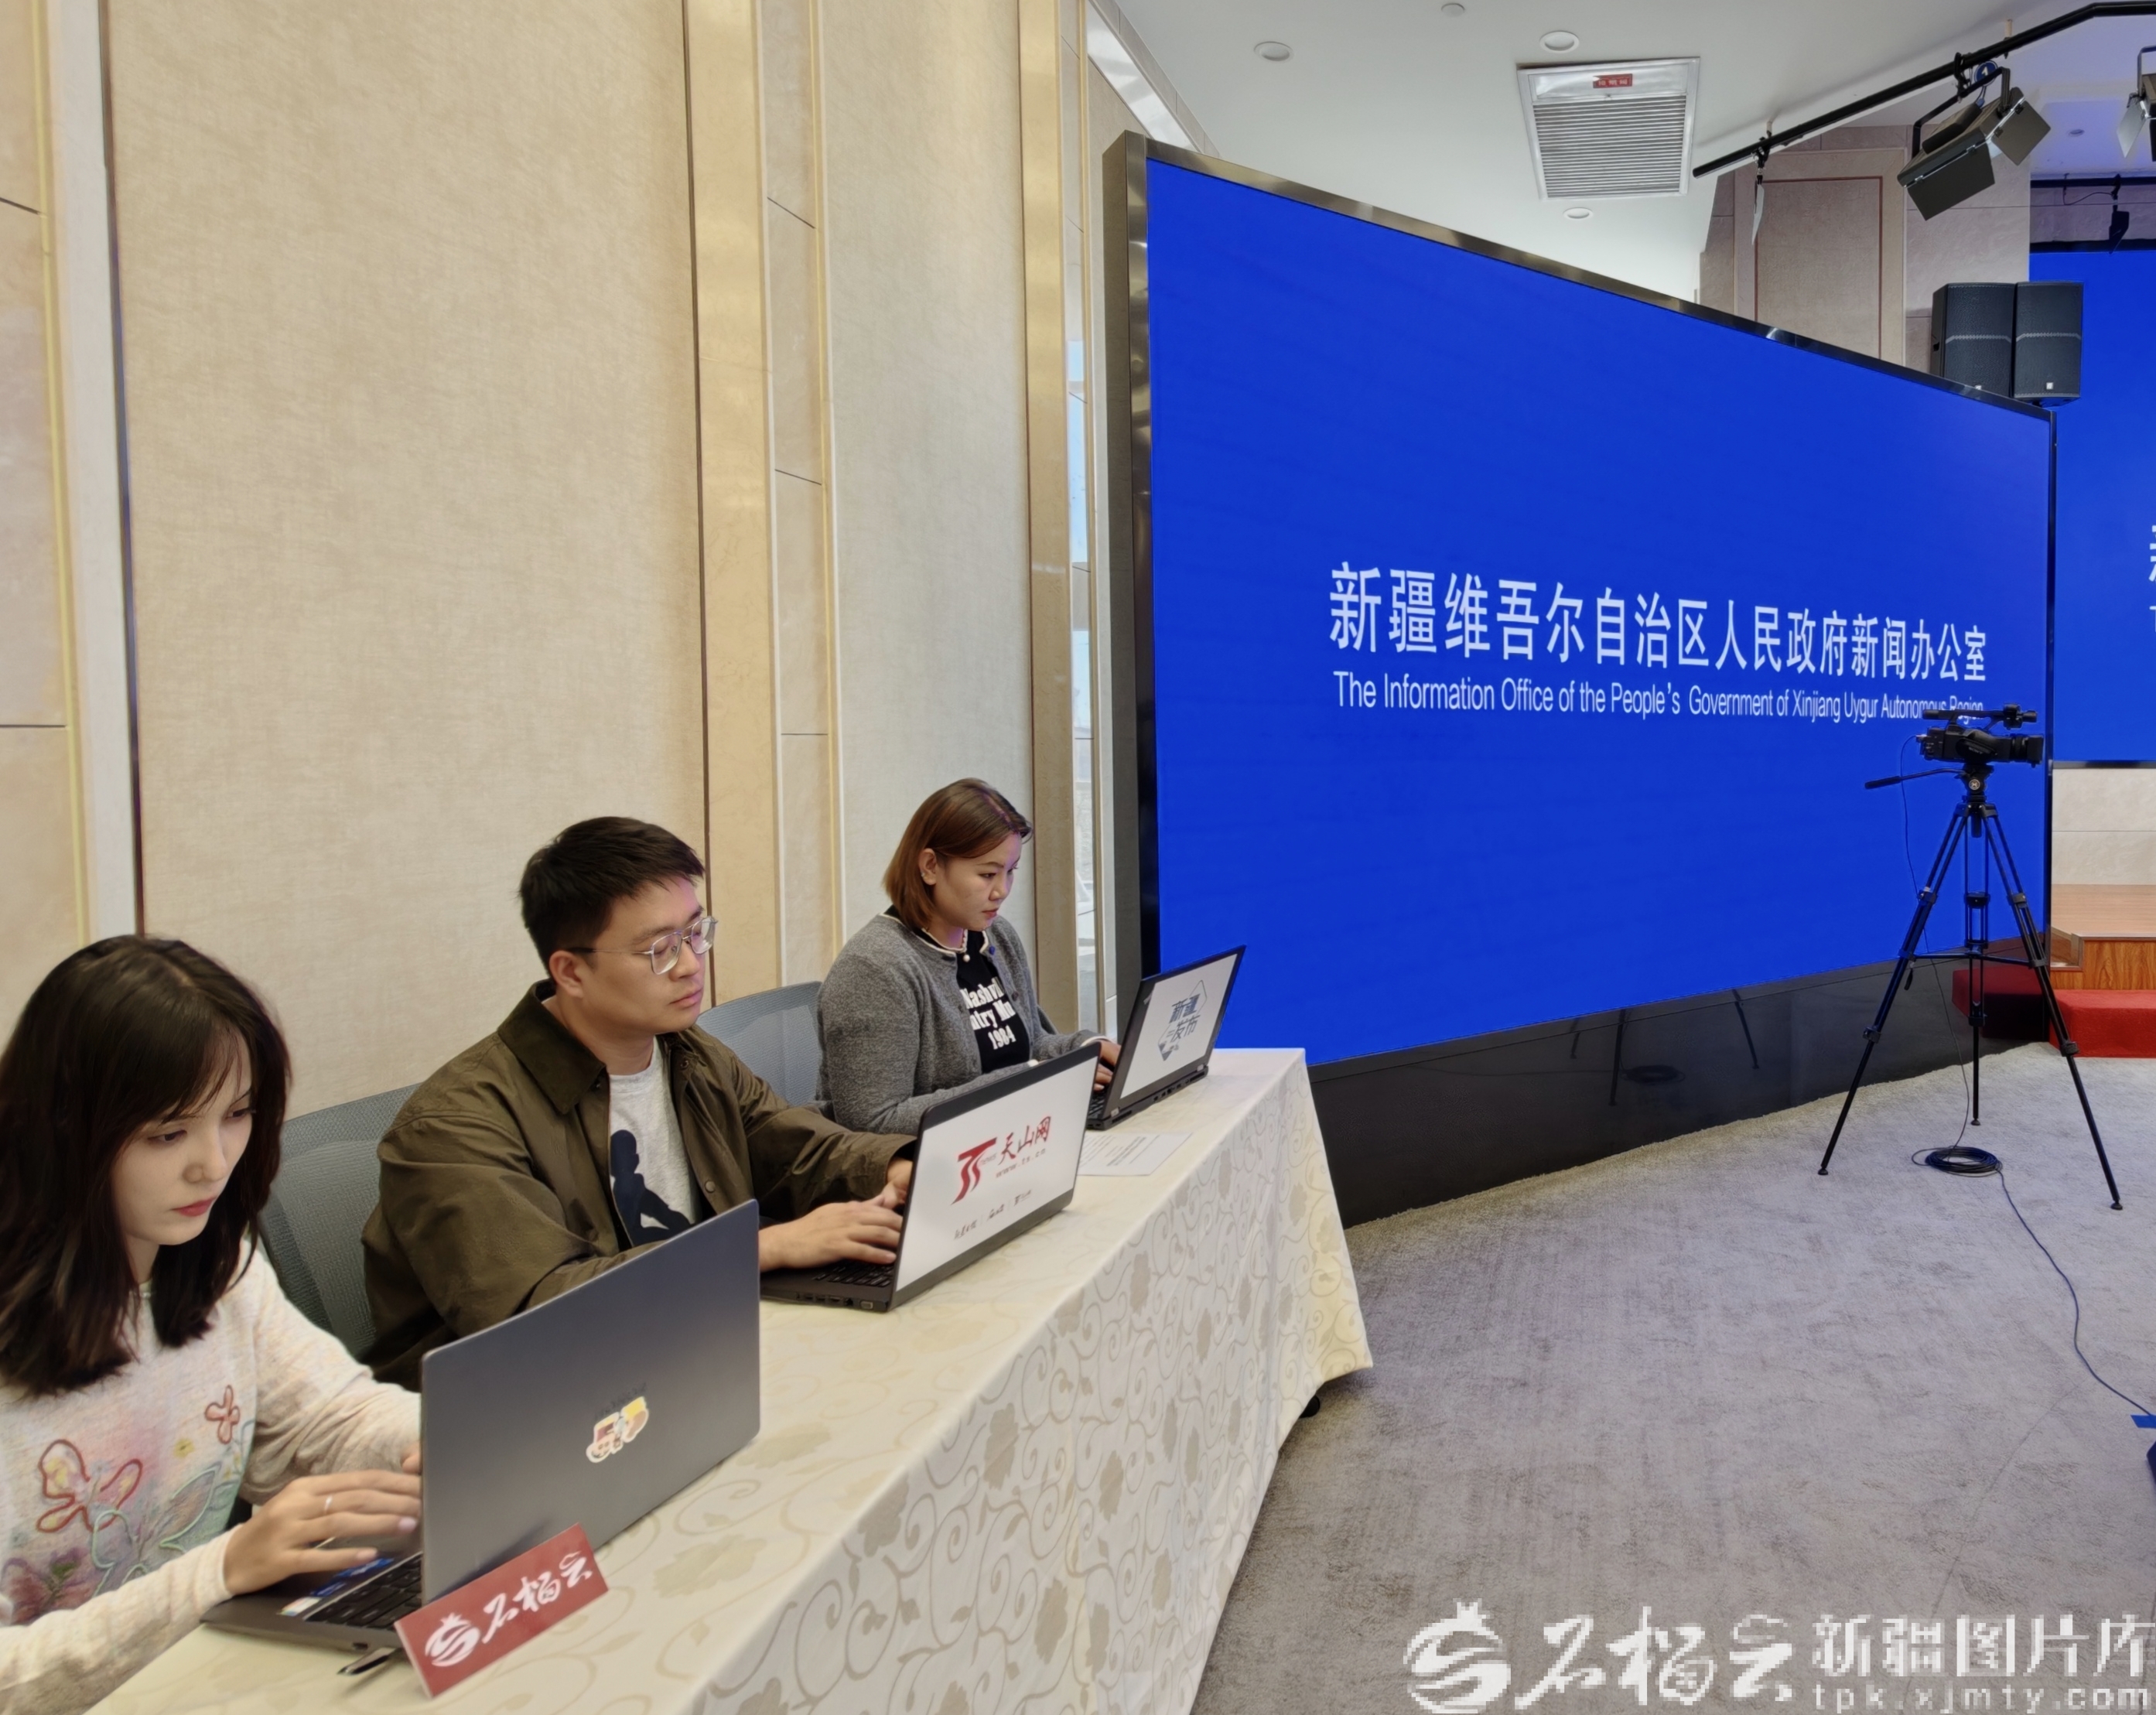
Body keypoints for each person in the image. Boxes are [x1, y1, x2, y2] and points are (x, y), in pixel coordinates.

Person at [0, 939, 422, 1715]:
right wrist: (219, 1571)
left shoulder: (215, 1262)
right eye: (167, 1134)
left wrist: (447, 1434)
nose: (213, 1164)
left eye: (236, 1115)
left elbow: (325, 1418)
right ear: (61, 1129)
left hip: (197, 1675)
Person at [363, 817, 915, 1388]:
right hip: (530, 1403)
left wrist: (898, 1168)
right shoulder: (452, 1125)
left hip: (687, 1345)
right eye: (660, 949)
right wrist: (758, 1249)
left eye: (696, 933)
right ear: (571, 972)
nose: (691, 964)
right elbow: (536, 1312)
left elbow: (791, 1148)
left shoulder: (686, 1050)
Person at [817, 779, 1116, 1135]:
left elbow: (1031, 1044)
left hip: (1008, 1136)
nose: (1002, 891)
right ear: (930, 866)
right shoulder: (875, 969)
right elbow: (874, 1121)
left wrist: (1086, 1049)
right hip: (923, 1162)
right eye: (987, 874)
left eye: (1010, 871)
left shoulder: (995, 935)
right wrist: (1032, 1081)